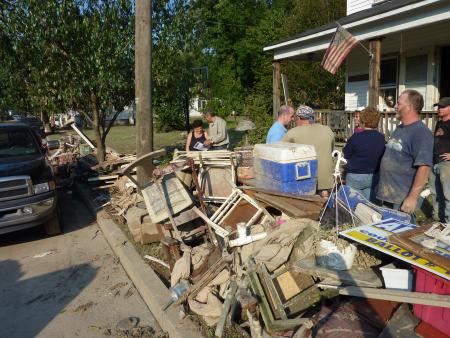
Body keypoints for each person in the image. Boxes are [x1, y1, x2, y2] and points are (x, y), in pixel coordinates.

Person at [376, 89, 433, 216]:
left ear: (409, 107)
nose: (395, 106)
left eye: (399, 103)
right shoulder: (400, 128)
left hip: (402, 198)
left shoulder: (421, 133)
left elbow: (424, 167)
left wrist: (412, 198)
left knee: (401, 233)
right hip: (388, 195)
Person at [282, 105, 334, 197]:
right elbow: (331, 150)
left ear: (298, 118)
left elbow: (281, 154)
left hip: (305, 182)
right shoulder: (327, 130)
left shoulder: (292, 133)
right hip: (327, 182)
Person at [343, 107, 385, 202]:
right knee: (370, 205)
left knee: (353, 205)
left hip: (355, 175)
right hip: (373, 175)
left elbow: (346, 153)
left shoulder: (356, 137)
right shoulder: (381, 138)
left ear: (362, 120)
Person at [429, 97, 450, 223]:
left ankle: (448, 225)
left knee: (448, 195)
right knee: (435, 194)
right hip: (434, 162)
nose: (439, 109)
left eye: (443, 107)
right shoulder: (439, 123)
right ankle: (437, 219)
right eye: (439, 106)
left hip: (446, 165)